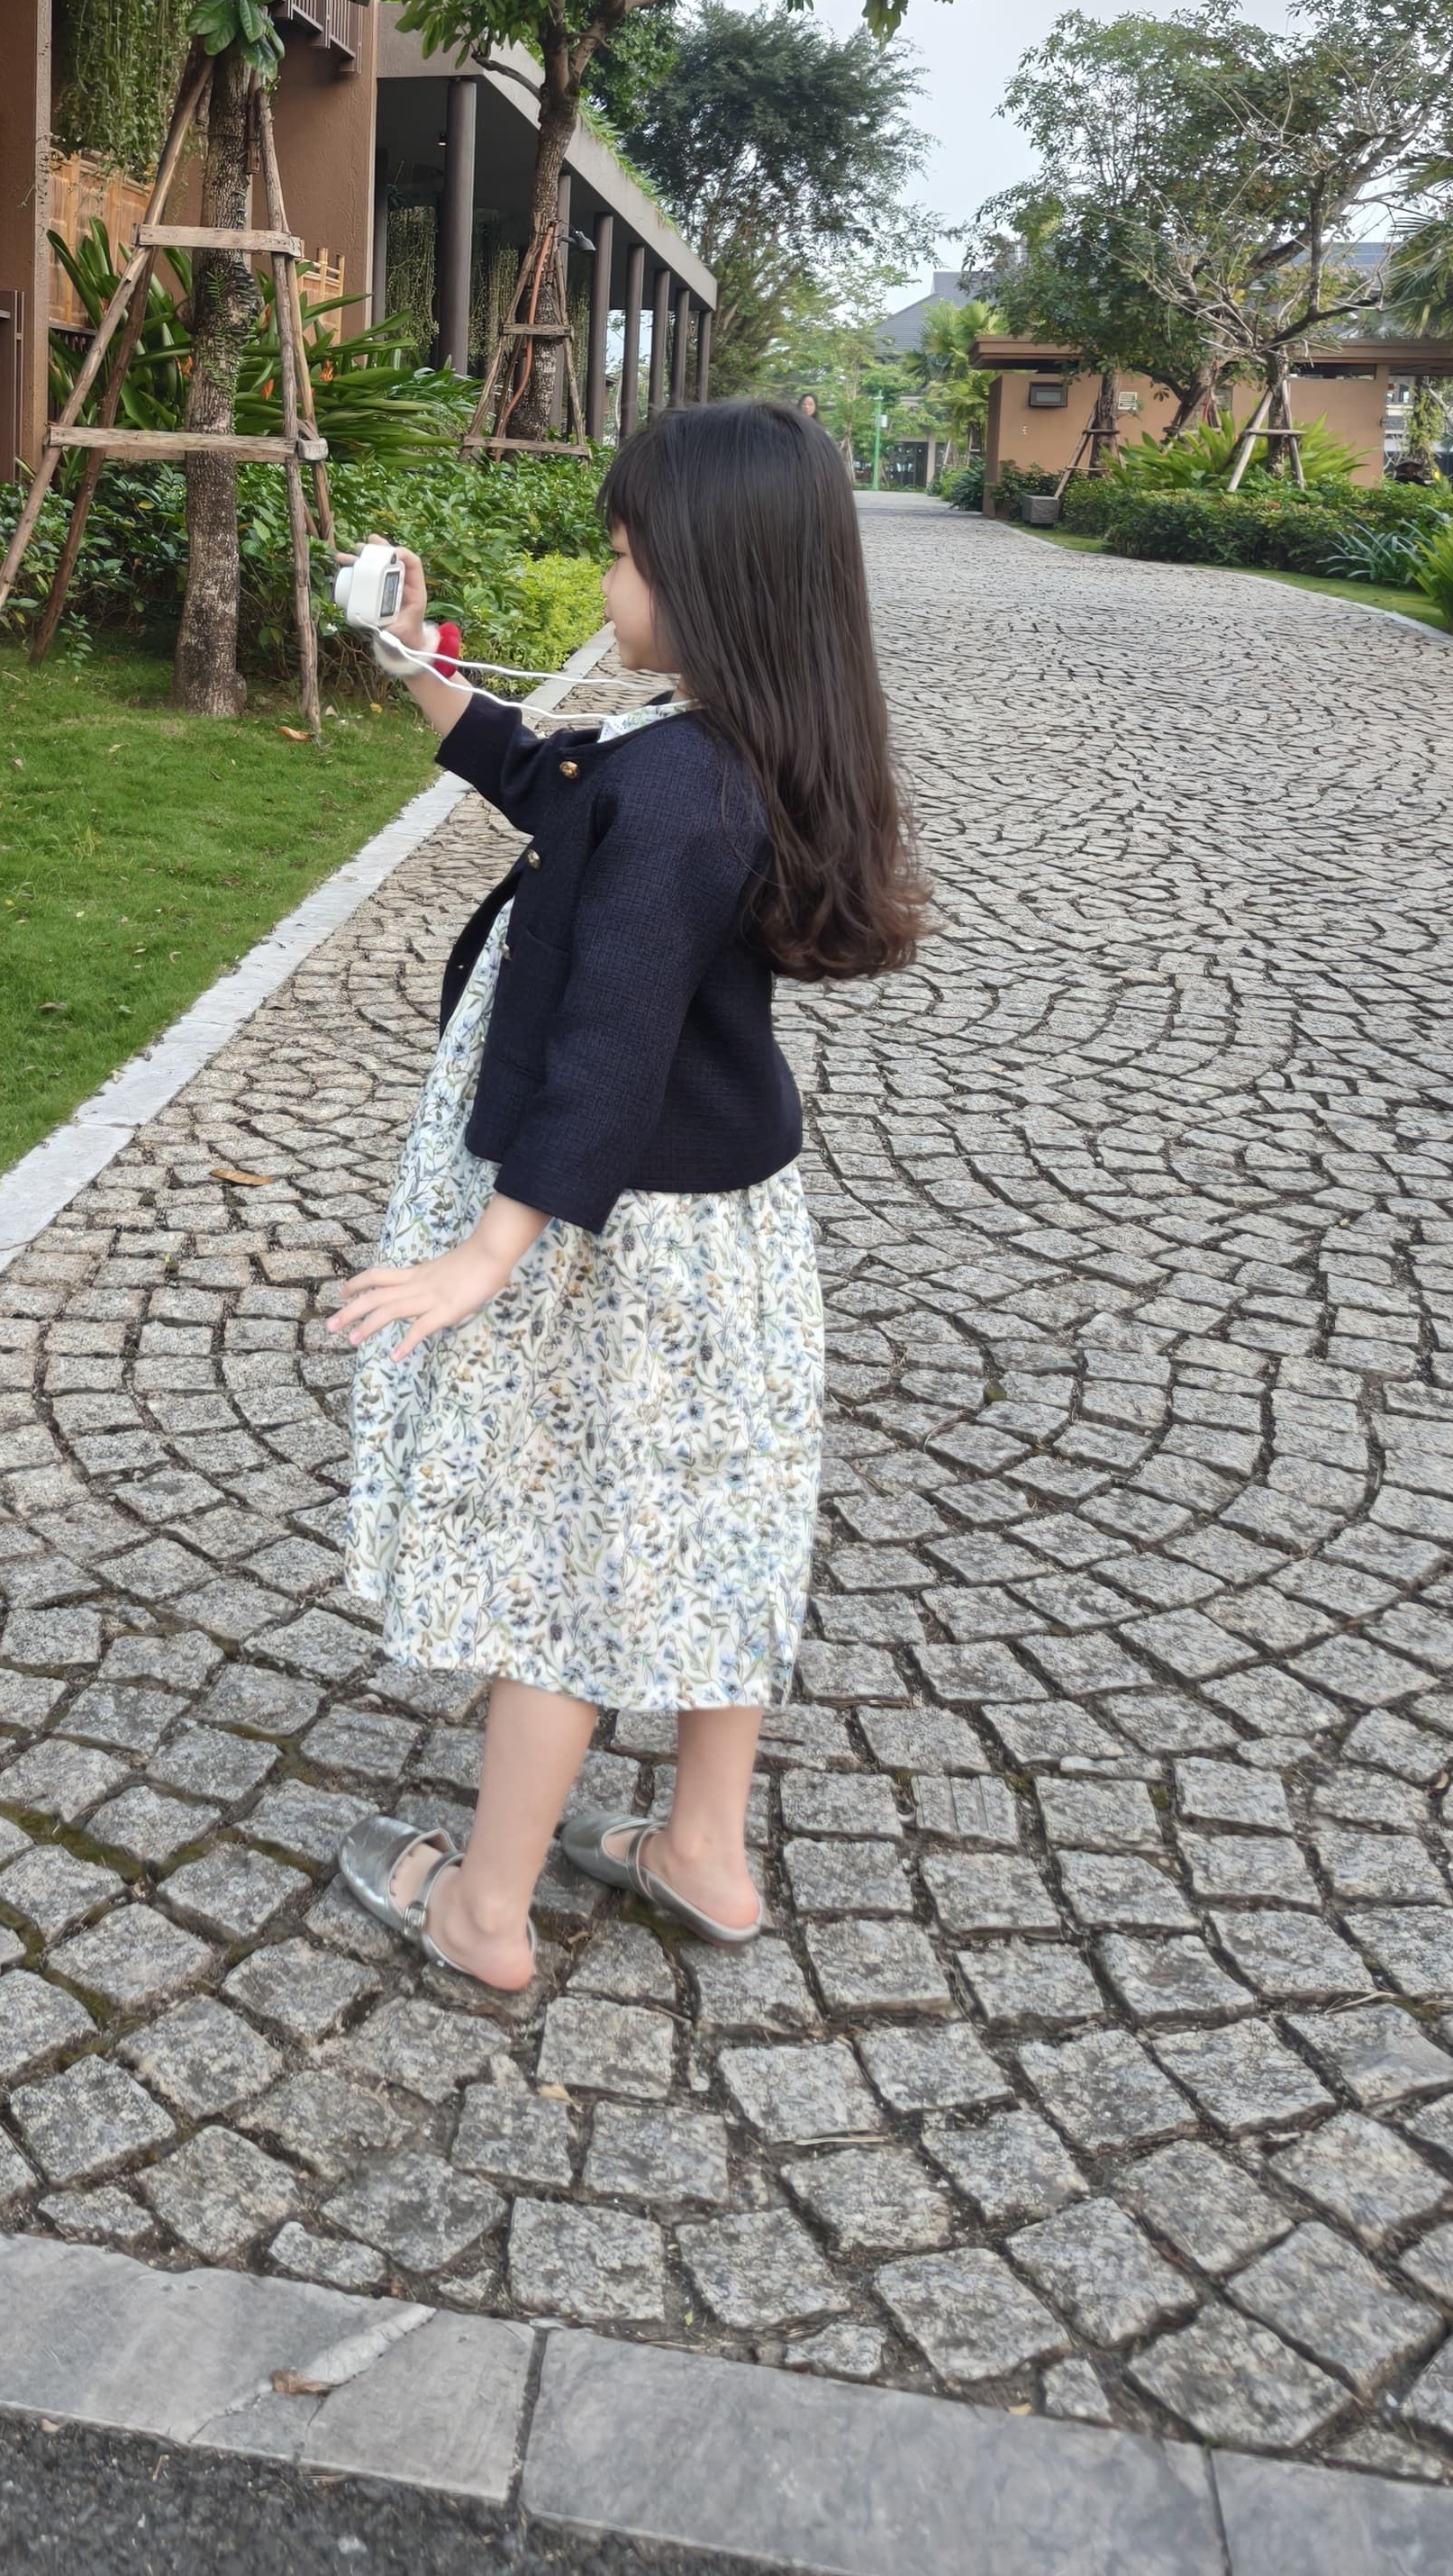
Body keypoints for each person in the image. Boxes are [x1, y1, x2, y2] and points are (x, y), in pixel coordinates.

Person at [327, 399, 925, 1985]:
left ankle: (485, 1908)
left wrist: (487, 1251)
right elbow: (562, 789)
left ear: (703, 572)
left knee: (563, 1549)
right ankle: (705, 1850)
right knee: (719, 1514)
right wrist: (426, 674)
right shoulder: (738, 748)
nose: (607, 584)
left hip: (611, 1238)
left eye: (620, 555)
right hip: (723, 1227)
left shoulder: (676, 796)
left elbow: (605, 1046)